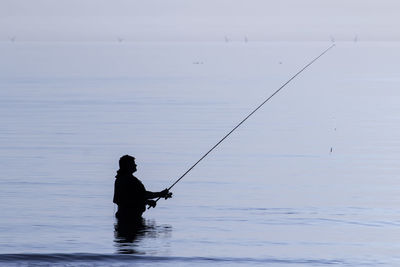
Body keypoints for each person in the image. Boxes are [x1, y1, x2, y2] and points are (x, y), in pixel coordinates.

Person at [113, 155, 172, 221]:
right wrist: (160, 194)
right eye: (133, 163)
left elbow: (132, 198)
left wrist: (146, 202)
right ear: (128, 166)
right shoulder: (129, 180)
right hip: (130, 218)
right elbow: (143, 195)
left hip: (125, 217)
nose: (136, 165)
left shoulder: (121, 179)